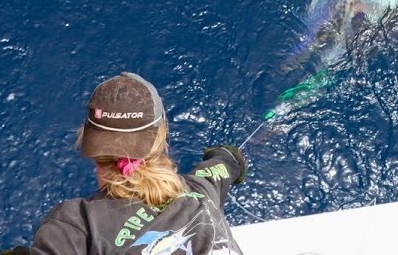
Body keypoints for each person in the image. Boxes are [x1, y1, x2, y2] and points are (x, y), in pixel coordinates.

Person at [13, 72, 249, 255]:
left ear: (89, 143)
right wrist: (227, 155)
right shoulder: (202, 190)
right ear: (161, 137)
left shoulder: (75, 225)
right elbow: (225, 165)